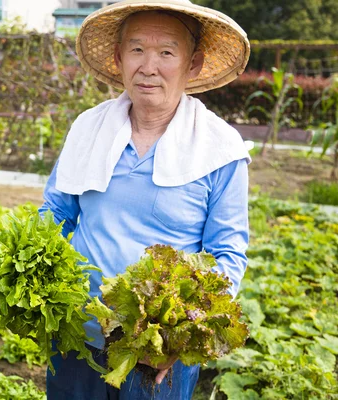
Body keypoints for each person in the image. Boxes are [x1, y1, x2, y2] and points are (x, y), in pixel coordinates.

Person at [39, 0, 251, 398]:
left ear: (193, 64)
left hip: (156, 358)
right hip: (75, 339)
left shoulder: (220, 149)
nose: (148, 66)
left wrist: (178, 339)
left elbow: (228, 254)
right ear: (119, 59)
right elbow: (55, 213)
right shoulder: (89, 128)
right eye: (137, 50)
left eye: (167, 52)